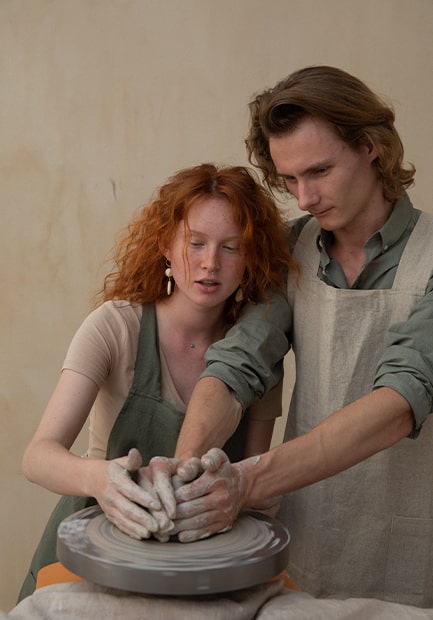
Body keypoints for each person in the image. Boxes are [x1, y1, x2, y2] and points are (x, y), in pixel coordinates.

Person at [168, 67, 433, 608]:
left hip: (414, 533)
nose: (305, 196)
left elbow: (402, 399)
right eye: (289, 179)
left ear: (372, 147)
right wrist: (185, 474)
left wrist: (246, 482)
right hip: (311, 527)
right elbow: (236, 366)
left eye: (319, 171)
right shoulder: (292, 250)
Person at [18, 162, 295, 600]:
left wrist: (251, 495)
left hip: (199, 566)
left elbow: (254, 488)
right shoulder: (114, 327)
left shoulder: (258, 354)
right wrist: (99, 480)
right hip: (92, 551)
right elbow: (37, 457)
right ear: (166, 244)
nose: (210, 263)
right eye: (195, 243)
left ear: (251, 256)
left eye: (231, 247)